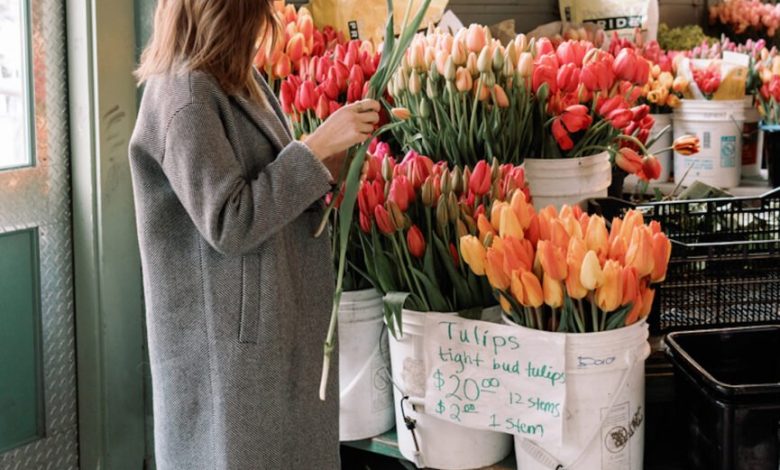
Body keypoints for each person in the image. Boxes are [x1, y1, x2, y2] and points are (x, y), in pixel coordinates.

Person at [129, 0, 380, 468]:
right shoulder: (184, 97)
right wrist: (315, 147)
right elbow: (229, 219)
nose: (263, 27)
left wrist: (331, 160)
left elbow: (266, 179)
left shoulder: (234, 79)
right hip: (226, 349)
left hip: (265, 331)